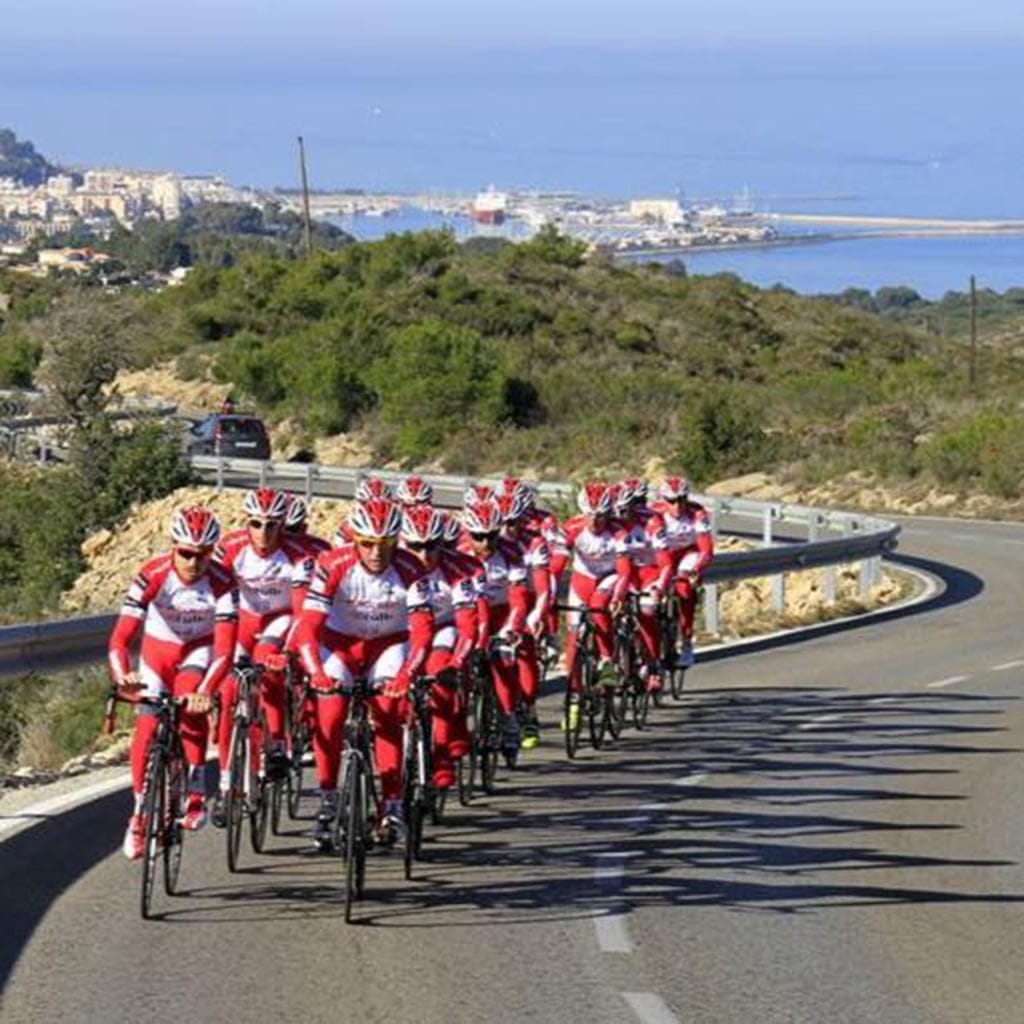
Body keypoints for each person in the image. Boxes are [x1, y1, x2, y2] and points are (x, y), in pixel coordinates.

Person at [294, 497, 434, 849]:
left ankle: (392, 805)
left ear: (395, 542)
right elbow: (308, 626)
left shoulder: (412, 570)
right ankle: (327, 798)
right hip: (339, 644)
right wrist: (316, 673)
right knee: (330, 714)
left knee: (388, 714)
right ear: (355, 539)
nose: (375, 552)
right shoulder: (332, 564)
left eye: (384, 544)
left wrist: (405, 675)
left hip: (388, 645)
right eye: (367, 544)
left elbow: (422, 631)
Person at [108, 506, 238, 859]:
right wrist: (124, 677)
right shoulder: (152, 574)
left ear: (213, 552)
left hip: (198, 652)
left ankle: (196, 787)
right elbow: (120, 639)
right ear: (173, 546)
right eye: (186, 553)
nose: (194, 562)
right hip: (157, 653)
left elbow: (225, 650)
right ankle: (139, 814)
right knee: (147, 726)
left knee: (190, 698)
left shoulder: (224, 582)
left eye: (204, 554)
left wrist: (207, 693)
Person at [213, 488, 315, 824]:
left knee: (269, 666)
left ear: (283, 524)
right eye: (256, 524)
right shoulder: (229, 547)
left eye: (272, 525)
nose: (264, 533)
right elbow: (210, 594)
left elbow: (302, 610)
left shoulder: (299, 553)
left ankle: (276, 745)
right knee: (229, 692)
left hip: (280, 619)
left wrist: (288, 650)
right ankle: (227, 784)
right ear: (246, 522)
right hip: (241, 619)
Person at [400, 504, 479, 792]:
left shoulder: (458, 569)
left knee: (440, 677)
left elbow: (468, 625)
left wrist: (456, 664)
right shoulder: (393, 564)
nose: (423, 554)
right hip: (404, 630)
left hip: (444, 628)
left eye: (431, 546)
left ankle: (442, 755)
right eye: (415, 546)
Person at [457, 498, 529, 759]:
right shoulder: (460, 553)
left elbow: (519, 596)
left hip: (501, 614)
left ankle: (509, 718)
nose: (485, 544)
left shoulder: (512, 553)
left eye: (491, 536)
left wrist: (512, 627)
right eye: (479, 536)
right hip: (467, 616)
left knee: (503, 662)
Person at [561, 482, 633, 720]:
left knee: (599, 607)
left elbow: (624, 570)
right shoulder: (572, 528)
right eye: (590, 515)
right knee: (574, 638)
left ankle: (606, 662)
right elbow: (557, 561)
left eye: (601, 516)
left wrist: (619, 596)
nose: (595, 521)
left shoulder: (619, 532)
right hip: (582, 580)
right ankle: (574, 695)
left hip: (609, 577)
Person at [495, 489, 551, 749]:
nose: (508, 528)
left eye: (513, 522)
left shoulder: (534, 543)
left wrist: (536, 616)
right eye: (502, 522)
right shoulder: (484, 540)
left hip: (525, 600)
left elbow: (542, 588)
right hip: (494, 603)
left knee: (526, 650)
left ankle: (529, 711)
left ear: (522, 521)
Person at [613, 478, 673, 694]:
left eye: (624, 511)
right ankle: (617, 664)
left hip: (649, 570)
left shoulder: (652, 522)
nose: (619, 516)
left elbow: (666, 561)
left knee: (647, 612)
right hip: (622, 573)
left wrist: (660, 586)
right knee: (608, 613)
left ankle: (653, 664)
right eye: (615, 512)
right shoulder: (610, 525)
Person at [651, 475, 714, 668]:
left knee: (685, 590)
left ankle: (686, 642)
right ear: (663, 500)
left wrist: (697, 569)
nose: (677, 506)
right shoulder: (655, 513)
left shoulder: (697, 513)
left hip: (689, 553)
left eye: (681, 500)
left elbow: (706, 549)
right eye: (671, 501)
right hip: (664, 554)